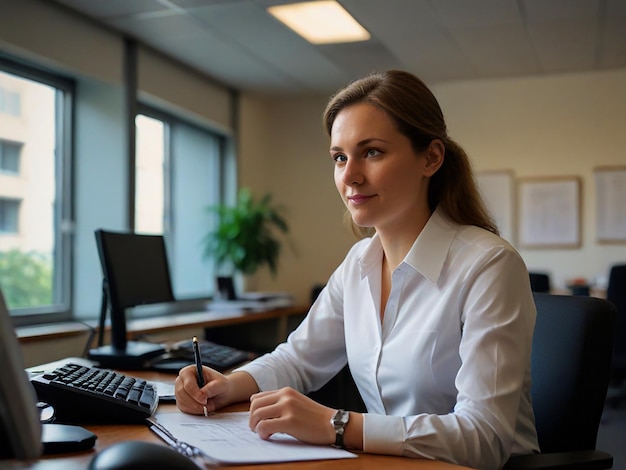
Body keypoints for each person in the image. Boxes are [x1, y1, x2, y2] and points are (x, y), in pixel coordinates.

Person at [175, 70, 539, 470]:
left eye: (373, 152)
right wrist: (228, 385)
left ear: (431, 158)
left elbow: (484, 438)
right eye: (339, 157)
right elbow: (298, 359)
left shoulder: (488, 265)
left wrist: (338, 425)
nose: (349, 176)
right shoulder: (358, 263)